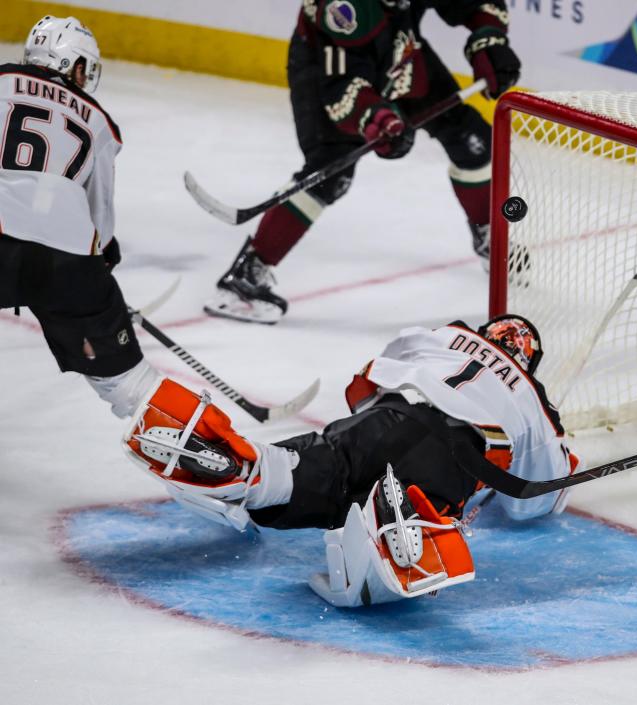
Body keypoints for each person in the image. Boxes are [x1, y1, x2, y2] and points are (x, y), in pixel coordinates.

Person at [123, 315, 576, 606]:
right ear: (528, 361)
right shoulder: (530, 395)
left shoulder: (449, 334)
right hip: (455, 456)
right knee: (420, 513)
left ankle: (248, 469)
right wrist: (563, 467)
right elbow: (532, 501)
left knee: (314, 471)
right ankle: (401, 518)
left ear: (488, 331)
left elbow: (382, 363)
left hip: (387, 417)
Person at [204, 0, 522, 324]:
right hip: (327, 67)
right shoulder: (344, 7)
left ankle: (488, 237)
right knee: (330, 171)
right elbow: (343, 86)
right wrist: (377, 120)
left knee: (471, 138)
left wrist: (489, 38)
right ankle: (244, 280)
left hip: (398, 45)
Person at [0, 16, 160, 419]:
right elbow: (100, 218)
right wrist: (103, 257)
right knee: (128, 385)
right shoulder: (100, 122)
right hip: (67, 264)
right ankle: (194, 451)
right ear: (72, 65)